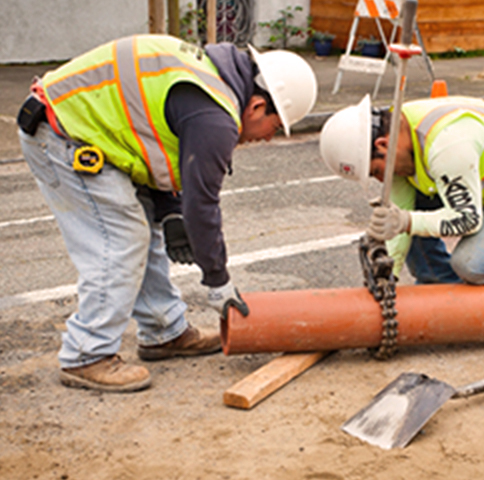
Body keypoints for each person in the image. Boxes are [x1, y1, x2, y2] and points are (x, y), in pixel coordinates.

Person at [16, 34, 318, 393]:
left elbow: (152, 134)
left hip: (84, 128)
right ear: (255, 107)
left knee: (143, 229)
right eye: (275, 128)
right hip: (62, 132)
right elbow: (203, 203)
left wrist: (169, 210)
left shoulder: (209, 78)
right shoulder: (217, 115)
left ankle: (164, 331)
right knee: (122, 236)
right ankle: (87, 355)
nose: (269, 138)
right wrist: (218, 281)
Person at [320, 94, 484, 285]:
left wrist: (405, 221)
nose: (379, 179)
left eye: (375, 171)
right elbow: (402, 216)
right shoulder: (398, 139)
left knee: (473, 264)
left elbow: (467, 219)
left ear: (382, 144)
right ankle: (443, 287)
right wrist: (388, 277)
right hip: (479, 184)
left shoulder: (447, 144)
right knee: (410, 218)